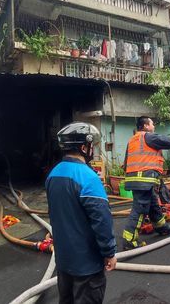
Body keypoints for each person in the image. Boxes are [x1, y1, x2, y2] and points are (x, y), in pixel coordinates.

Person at [46, 122, 117, 304]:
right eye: (91, 146)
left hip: (64, 262)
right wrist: (109, 252)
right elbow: (102, 220)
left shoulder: (53, 174)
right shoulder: (88, 177)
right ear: (84, 147)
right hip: (87, 266)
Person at [122, 116, 170, 250]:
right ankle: (129, 240)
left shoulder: (133, 140)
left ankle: (161, 226)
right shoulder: (149, 137)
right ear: (146, 126)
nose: (154, 126)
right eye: (152, 124)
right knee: (140, 209)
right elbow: (169, 141)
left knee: (153, 202)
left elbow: (126, 161)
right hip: (144, 179)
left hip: (136, 178)